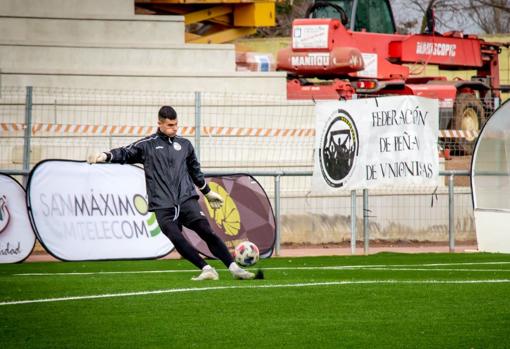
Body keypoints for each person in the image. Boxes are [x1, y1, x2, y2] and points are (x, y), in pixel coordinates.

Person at [87, 105, 255, 280]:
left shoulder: (185, 145)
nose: (174, 128)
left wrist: (207, 192)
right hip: (162, 203)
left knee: (207, 232)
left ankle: (235, 268)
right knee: (176, 237)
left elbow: (195, 171)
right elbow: (126, 153)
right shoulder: (147, 145)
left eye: (176, 124)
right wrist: (105, 156)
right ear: (159, 124)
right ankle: (206, 269)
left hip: (186, 198)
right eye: (170, 125)